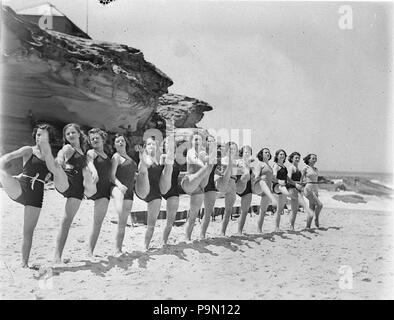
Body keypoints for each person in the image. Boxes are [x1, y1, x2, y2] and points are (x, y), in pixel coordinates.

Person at [38, 123, 95, 264]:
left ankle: (57, 256)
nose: (70, 135)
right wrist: (59, 160)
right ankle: (48, 156)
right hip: (66, 180)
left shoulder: (84, 151)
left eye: (72, 133)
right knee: (57, 169)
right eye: (67, 134)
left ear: (79, 134)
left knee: (66, 222)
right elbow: (61, 155)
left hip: (77, 190)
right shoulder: (68, 148)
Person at [0, 124, 54, 268]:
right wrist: (3, 161)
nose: (39, 137)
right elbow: (9, 156)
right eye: (37, 134)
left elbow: (51, 174)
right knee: (1, 172)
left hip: (36, 195)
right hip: (20, 188)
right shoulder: (28, 150)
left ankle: (24, 263)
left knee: (28, 231)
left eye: (43, 135)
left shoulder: (50, 157)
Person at [137, 136, 174, 250]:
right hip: (143, 188)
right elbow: (142, 167)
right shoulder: (145, 158)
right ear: (145, 147)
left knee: (151, 224)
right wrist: (142, 156)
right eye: (149, 144)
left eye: (154, 144)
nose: (152, 146)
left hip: (155, 193)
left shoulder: (159, 159)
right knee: (144, 171)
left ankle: (145, 246)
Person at [182, 132, 215, 241]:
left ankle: (188, 237)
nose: (197, 142)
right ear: (191, 141)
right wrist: (208, 160)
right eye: (195, 139)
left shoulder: (202, 153)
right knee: (208, 166)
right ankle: (187, 237)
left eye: (199, 140)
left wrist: (211, 153)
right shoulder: (190, 152)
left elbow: (209, 160)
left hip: (199, 186)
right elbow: (199, 162)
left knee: (193, 214)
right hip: (190, 181)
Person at [110, 133, 138, 255]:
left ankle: (119, 248)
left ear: (125, 143)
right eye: (117, 141)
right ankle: (117, 249)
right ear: (114, 145)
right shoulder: (116, 157)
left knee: (123, 221)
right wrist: (119, 185)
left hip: (130, 192)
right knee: (121, 218)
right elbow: (111, 176)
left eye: (122, 141)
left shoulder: (130, 158)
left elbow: (133, 175)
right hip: (120, 190)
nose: (120, 143)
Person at [160, 136, 181, 245]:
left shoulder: (178, 159)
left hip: (173, 190)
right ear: (164, 146)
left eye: (172, 143)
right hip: (162, 186)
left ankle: (164, 241)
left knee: (170, 219)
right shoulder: (162, 156)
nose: (170, 145)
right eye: (167, 143)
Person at [287, 152, 315, 231]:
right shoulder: (291, 168)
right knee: (297, 203)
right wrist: (296, 184)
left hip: (297, 189)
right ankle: (307, 209)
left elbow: (299, 181)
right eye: (296, 157)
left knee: (294, 210)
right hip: (291, 189)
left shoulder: (298, 169)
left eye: (298, 158)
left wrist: (303, 183)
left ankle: (291, 226)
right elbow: (288, 179)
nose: (297, 159)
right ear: (292, 159)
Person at [252, 147, 278, 233]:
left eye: (268, 152)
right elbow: (255, 178)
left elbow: (272, 179)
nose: (268, 153)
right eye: (266, 152)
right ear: (261, 155)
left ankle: (259, 229)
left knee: (263, 211)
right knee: (263, 181)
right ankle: (273, 199)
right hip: (258, 187)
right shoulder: (260, 164)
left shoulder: (270, 167)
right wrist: (261, 177)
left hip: (267, 190)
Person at [200, 135, 220, 239]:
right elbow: (208, 161)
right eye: (210, 141)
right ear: (206, 143)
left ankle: (202, 234)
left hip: (211, 184)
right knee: (195, 211)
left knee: (208, 211)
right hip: (201, 183)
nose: (212, 143)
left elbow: (214, 170)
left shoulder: (214, 155)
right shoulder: (202, 153)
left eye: (214, 141)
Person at [220, 141, 240, 236]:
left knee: (228, 210)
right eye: (231, 148)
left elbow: (236, 175)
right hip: (223, 182)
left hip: (232, 183)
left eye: (234, 149)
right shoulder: (223, 160)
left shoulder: (237, 162)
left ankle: (222, 231)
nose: (232, 150)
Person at [272, 149, 294, 232]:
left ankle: (277, 227)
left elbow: (287, 178)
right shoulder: (276, 166)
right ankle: (289, 201)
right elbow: (273, 177)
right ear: (277, 156)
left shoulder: (284, 167)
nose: (282, 156)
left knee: (279, 209)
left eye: (283, 154)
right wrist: (279, 181)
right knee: (286, 192)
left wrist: (295, 183)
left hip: (283, 187)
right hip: (277, 186)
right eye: (280, 154)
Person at [235, 145, 254, 235]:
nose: (248, 153)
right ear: (242, 153)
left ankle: (239, 231)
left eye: (249, 152)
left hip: (248, 188)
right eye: (246, 151)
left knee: (245, 211)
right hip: (238, 185)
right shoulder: (238, 161)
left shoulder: (250, 165)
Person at [301, 153, 323, 229]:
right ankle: (316, 218)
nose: (314, 160)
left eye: (315, 158)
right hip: (309, 189)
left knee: (312, 208)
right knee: (320, 205)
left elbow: (316, 179)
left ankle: (308, 227)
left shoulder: (316, 169)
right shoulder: (305, 168)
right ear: (308, 160)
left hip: (315, 189)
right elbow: (301, 180)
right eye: (313, 158)